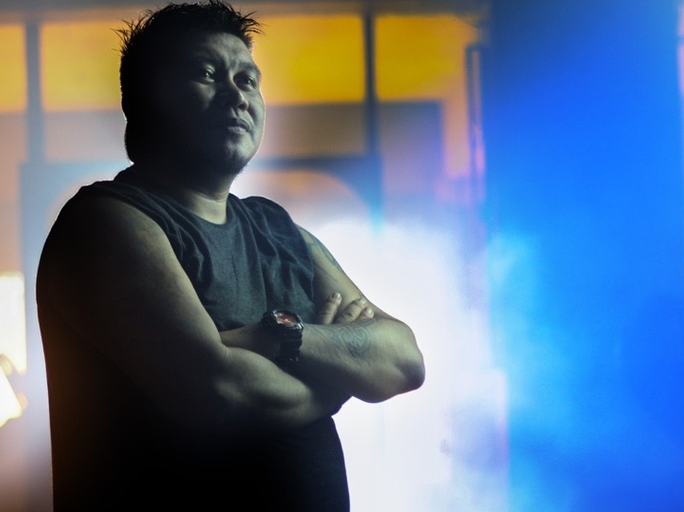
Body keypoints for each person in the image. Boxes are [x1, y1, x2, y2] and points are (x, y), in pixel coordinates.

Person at [35, 2, 425, 510]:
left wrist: (280, 338)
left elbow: (404, 360)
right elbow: (216, 393)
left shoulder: (277, 229)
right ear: (144, 101)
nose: (236, 94)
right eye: (206, 73)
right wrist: (337, 381)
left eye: (248, 79)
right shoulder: (107, 222)